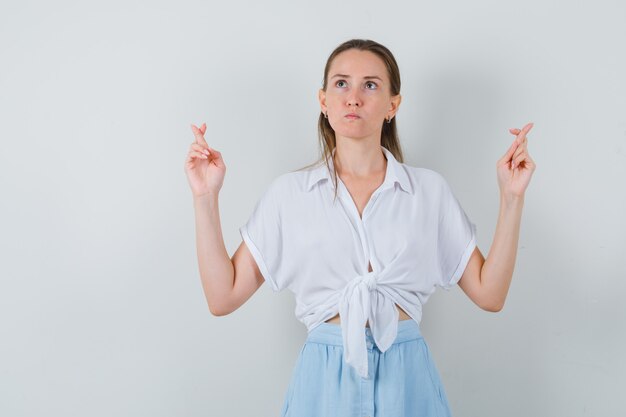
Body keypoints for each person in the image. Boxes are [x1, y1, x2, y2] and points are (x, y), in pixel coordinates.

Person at [184, 38, 535, 417]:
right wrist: (205, 197)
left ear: (392, 105)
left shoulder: (428, 192)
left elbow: (490, 294)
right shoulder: (289, 195)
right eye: (341, 84)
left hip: (407, 378)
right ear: (323, 101)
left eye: (370, 85)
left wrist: (512, 197)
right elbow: (223, 298)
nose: (353, 98)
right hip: (323, 381)